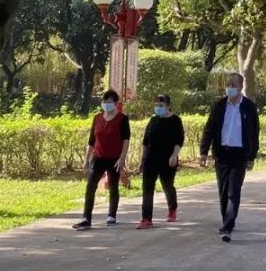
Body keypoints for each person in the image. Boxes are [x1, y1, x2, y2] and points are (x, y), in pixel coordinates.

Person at [200, 72, 260, 242]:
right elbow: (209, 129)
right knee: (223, 192)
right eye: (228, 85)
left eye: (234, 85)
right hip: (222, 153)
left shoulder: (248, 107)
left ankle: (227, 226)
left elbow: (254, 133)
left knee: (234, 190)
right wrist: (203, 152)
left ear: (241, 87)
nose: (230, 88)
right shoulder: (219, 105)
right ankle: (227, 220)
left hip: (240, 154)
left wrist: (252, 156)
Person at [72, 89, 130, 230]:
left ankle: (111, 216)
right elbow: (92, 140)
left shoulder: (122, 119)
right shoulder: (97, 118)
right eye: (104, 102)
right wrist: (86, 159)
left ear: (116, 103)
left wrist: (122, 158)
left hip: (114, 158)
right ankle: (86, 218)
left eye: (109, 102)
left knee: (113, 186)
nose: (106, 104)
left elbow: (126, 139)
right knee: (90, 186)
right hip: (98, 157)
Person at [137, 93, 184, 229]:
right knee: (147, 189)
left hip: (168, 159)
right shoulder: (153, 121)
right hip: (151, 159)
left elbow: (179, 141)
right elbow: (145, 142)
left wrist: (174, 156)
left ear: (168, 106)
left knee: (167, 186)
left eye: (161, 105)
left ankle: (172, 208)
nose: (158, 108)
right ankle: (146, 218)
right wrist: (142, 159)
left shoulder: (176, 121)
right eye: (156, 105)